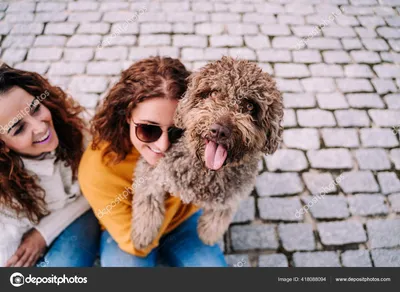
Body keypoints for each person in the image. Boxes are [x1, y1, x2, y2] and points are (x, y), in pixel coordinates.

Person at [78, 57, 228, 267]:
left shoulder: (200, 139)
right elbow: (137, 244)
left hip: (184, 221)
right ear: (127, 116)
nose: (163, 145)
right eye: (148, 129)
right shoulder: (98, 169)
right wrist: (163, 182)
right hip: (129, 231)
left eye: (177, 131)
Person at [0, 64, 100, 267]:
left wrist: (42, 234)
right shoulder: (5, 193)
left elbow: (99, 190)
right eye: (19, 129)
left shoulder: (73, 127)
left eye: (36, 108)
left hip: (82, 218)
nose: (40, 127)